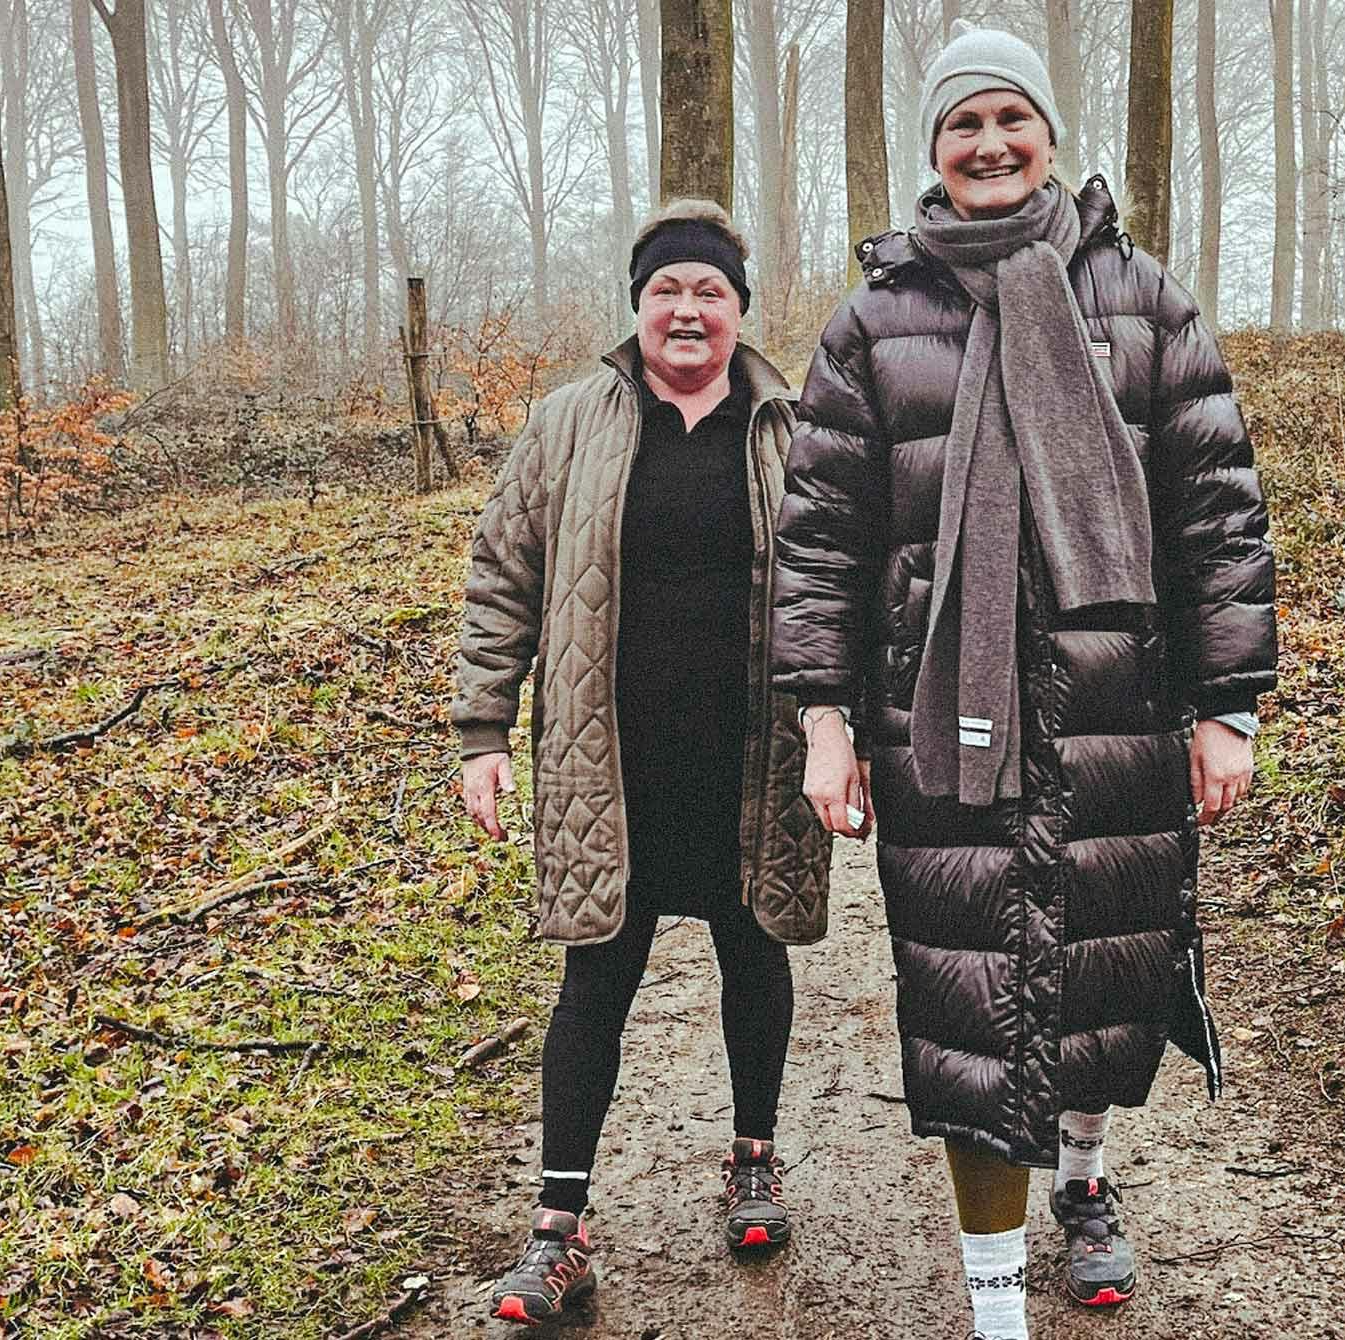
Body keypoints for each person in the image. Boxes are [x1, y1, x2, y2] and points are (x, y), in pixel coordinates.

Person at [770, 20, 1276, 1340]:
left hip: (1119, 707)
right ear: (931, 153)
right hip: (941, 728)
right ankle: (998, 1307)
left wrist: (1227, 709)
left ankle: (1089, 1189)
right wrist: (826, 725)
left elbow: (1216, 515)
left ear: (1051, 134)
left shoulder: (1144, 302)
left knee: (1105, 973)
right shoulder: (875, 322)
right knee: (972, 1009)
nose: (989, 144)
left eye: (1011, 119)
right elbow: (818, 537)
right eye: (961, 126)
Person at [453, 198, 833, 1326]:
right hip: (605, 758)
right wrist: (481, 730)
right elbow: (500, 575)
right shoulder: (569, 421)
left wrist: (844, 729)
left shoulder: (791, 429)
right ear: (635, 304)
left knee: (753, 952)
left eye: (708, 290)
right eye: (666, 287)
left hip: (748, 760)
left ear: (738, 310)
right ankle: (557, 1229)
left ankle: (753, 1160)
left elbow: (842, 593)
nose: (685, 308)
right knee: (594, 981)